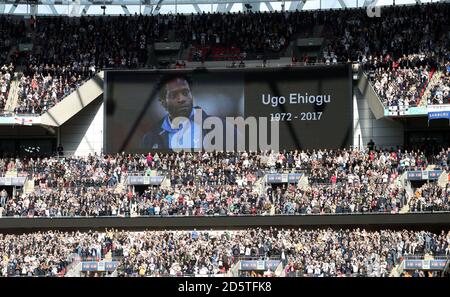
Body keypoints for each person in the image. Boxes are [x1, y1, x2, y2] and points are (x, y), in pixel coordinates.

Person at [141, 74, 237, 151]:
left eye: (185, 93)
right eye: (174, 95)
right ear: (163, 103)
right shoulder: (150, 138)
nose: (182, 99)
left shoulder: (222, 127)